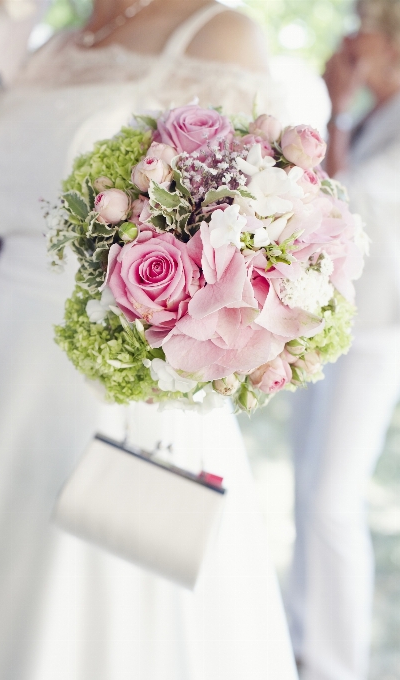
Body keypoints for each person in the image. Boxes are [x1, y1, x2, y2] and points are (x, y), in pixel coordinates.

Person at [0, 2, 299, 679]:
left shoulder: (218, 33)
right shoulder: (54, 46)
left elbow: (265, 237)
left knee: (89, 617)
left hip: (120, 390)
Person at [286, 1, 400, 678]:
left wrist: (334, 107)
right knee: (307, 485)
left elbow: (340, 200)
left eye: (363, 19)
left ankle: (336, 664)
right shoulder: (378, 116)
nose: (349, 33)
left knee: (332, 496)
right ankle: (305, 635)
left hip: (377, 334)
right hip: (337, 323)